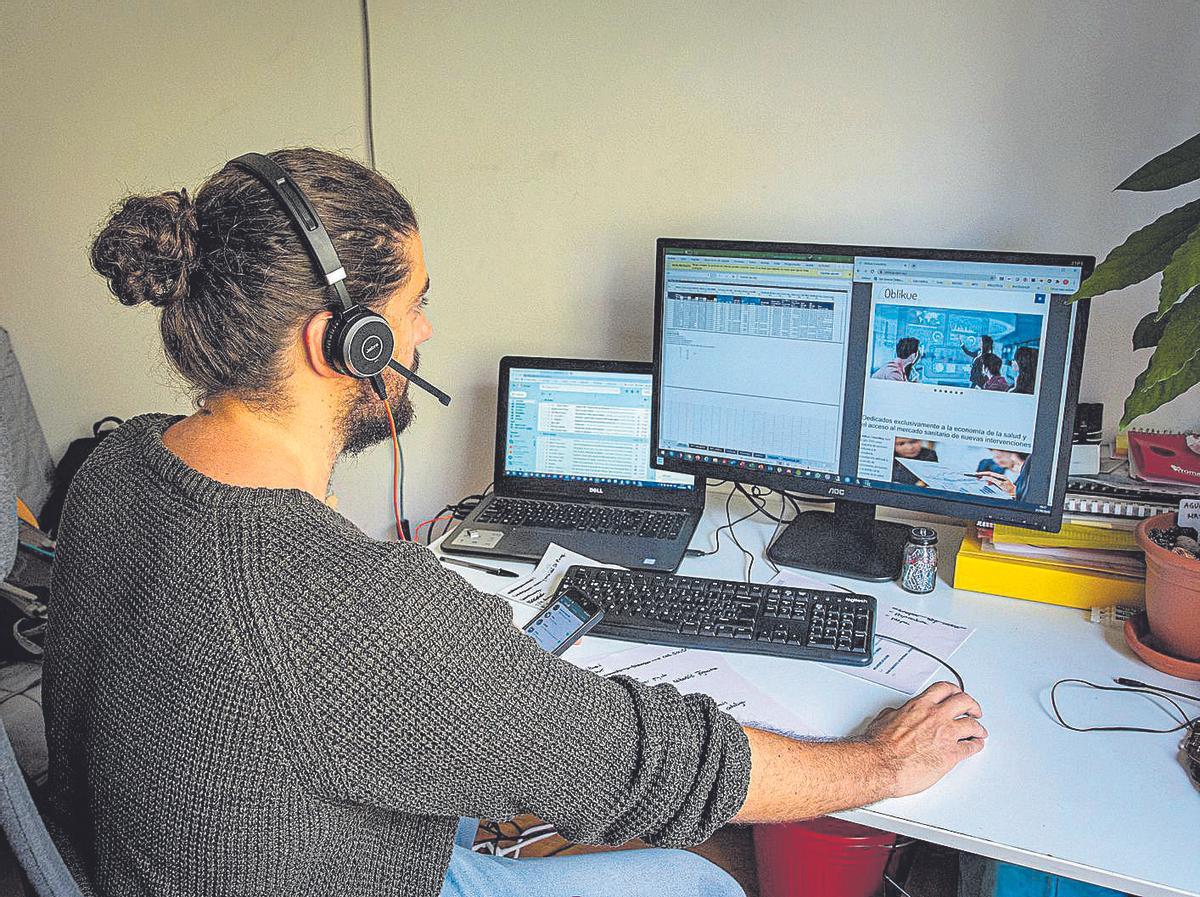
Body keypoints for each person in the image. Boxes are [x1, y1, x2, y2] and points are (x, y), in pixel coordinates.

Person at [44, 148, 986, 897]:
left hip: (183, 855)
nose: (420, 337)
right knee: (701, 881)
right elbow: (657, 767)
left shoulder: (116, 466)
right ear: (342, 342)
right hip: (327, 871)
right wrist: (878, 762)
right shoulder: (350, 612)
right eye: (413, 307)